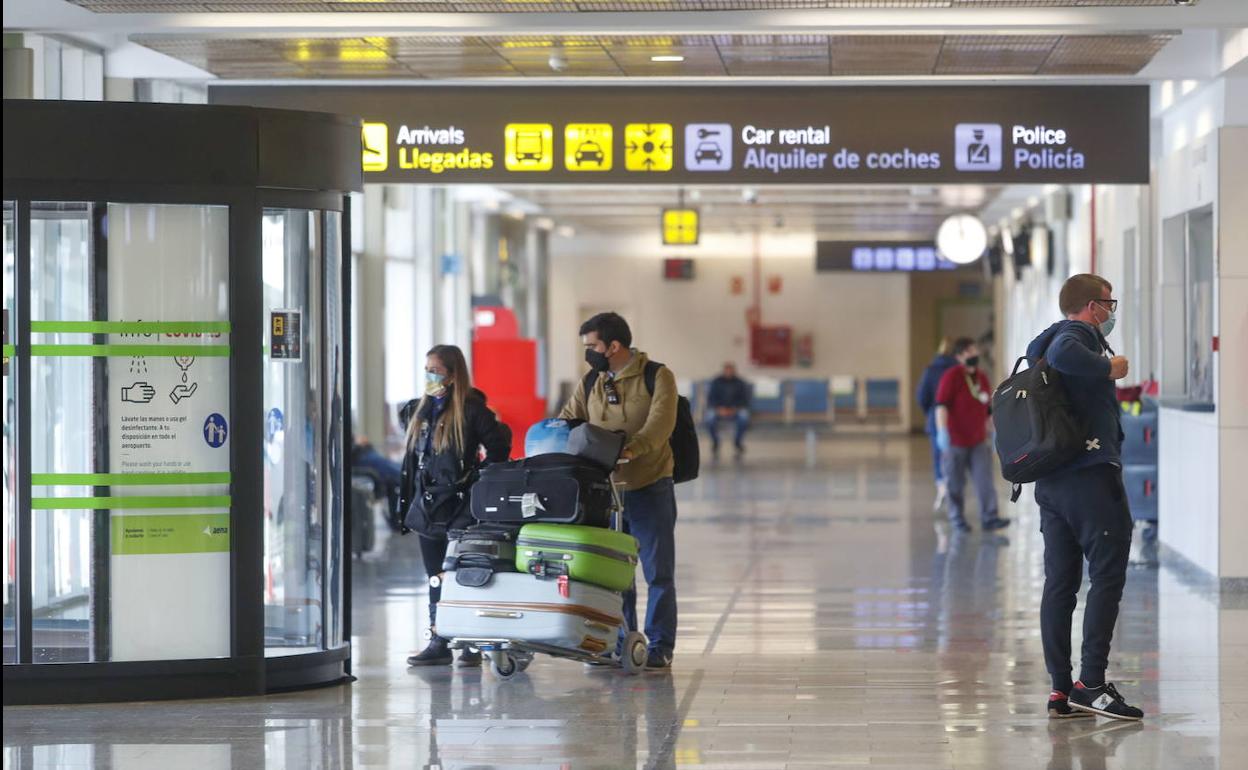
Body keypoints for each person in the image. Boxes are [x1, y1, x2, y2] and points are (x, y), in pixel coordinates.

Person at [1025, 274, 1143, 721]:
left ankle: (1061, 689)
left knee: (1061, 586)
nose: (1111, 312)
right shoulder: (1075, 335)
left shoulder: (1046, 337)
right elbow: (1066, 354)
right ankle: (1091, 684)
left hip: (1052, 483)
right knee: (1107, 577)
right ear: (1094, 306)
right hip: (1090, 479)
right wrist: (1108, 368)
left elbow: (1051, 354)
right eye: (1109, 303)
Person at [559, 312, 679, 671]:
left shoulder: (657, 377)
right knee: (614, 574)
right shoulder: (591, 380)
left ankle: (659, 645)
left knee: (658, 572)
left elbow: (660, 426)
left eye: (592, 346)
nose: (588, 353)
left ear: (614, 346)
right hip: (605, 492)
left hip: (649, 486)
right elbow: (568, 419)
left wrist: (630, 448)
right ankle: (618, 641)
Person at [398, 344, 512, 667]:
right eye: (427, 369)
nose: (429, 375)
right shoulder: (419, 411)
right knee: (434, 576)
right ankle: (439, 637)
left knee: (464, 573)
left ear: (452, 375)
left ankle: (471, 641)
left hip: (461, 507)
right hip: (428, 507)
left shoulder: (472, 409)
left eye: (435, 370)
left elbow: (499, 446)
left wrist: (477, 479)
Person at [934, 337, 1010, 534]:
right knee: (955, 483)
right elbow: (941, 406)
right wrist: (942, 432)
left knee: (985, 481)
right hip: (955, 441)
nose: (974, 354)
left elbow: (988, 409)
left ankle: (990, 517)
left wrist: (994, 433)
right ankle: (956, 517)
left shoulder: (982, 377)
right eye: (969, 352)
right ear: (959, 357)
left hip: (977, 440)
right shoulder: (951, 377)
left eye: (974, 350)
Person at [916, 338, 958, 511]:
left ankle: (942, 486)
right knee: (956, 456)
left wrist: (930, 412)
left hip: (935, 417)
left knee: (938, 454)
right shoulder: (957, 370)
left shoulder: (930, 370)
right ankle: (953, 486)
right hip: (956, 419)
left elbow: (922, 396)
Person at [704, 362, 752, 458]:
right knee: (709, 418)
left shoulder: (740, 383)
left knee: (744, 417)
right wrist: (718, 408)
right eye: (727, 370)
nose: (729, 372)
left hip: (735, 409)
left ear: (734, 371)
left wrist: (734, 409)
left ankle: (737, 442)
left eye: (731, 370)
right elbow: (711, 398)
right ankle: (715, 442)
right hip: (718, 409)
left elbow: (744, 399)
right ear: (724, 371)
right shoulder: (716, 382)